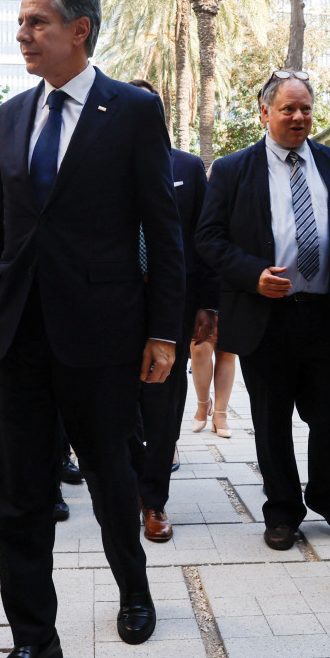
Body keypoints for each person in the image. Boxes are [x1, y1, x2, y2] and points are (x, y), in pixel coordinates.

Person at [0, 0, 184, 658]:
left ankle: (133, 586)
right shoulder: (9, 115)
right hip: (18, 331)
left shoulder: (133, 112)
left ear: (79, 29)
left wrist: (164, 330)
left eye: (35, 23)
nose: (21, 34)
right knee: (19, 492)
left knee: (112, 473)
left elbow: (163, 228)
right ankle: (34, 638)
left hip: (104, 330)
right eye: (21, 23)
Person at [196, 70, 330, 552]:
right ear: (265, 112)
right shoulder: (232, 170)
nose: (298, 117)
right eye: (288, 108)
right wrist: (253, 275)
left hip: (326, 313)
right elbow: (208, 239)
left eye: (306, 108)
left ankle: (327, 495)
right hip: (266, 317)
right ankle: (283, 511)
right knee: (272, 421)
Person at [128, 77, 215, 543]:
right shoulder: (104, 167)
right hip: (115, 304)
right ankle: (124, 489)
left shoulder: (186, 167)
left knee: (163, 402)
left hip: (171, 305)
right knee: (118, 401)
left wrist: (207, 304)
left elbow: (201, 241)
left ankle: (153, 501)